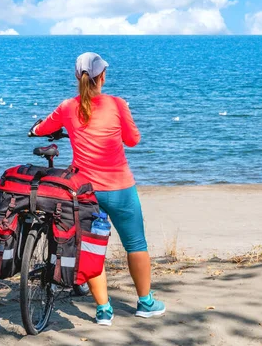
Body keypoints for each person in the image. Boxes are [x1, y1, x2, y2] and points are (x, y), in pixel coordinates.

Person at [31, 52, 165, 326]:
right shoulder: (116, 104)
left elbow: (42, 128)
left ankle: (103, 310)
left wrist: (36, 130)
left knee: (92, 249)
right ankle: (145, 303)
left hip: (85, 191)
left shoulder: (68, 107)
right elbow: (134, 140)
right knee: (136, 244)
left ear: (76, 77)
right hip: (120, 188)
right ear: (102, 76)